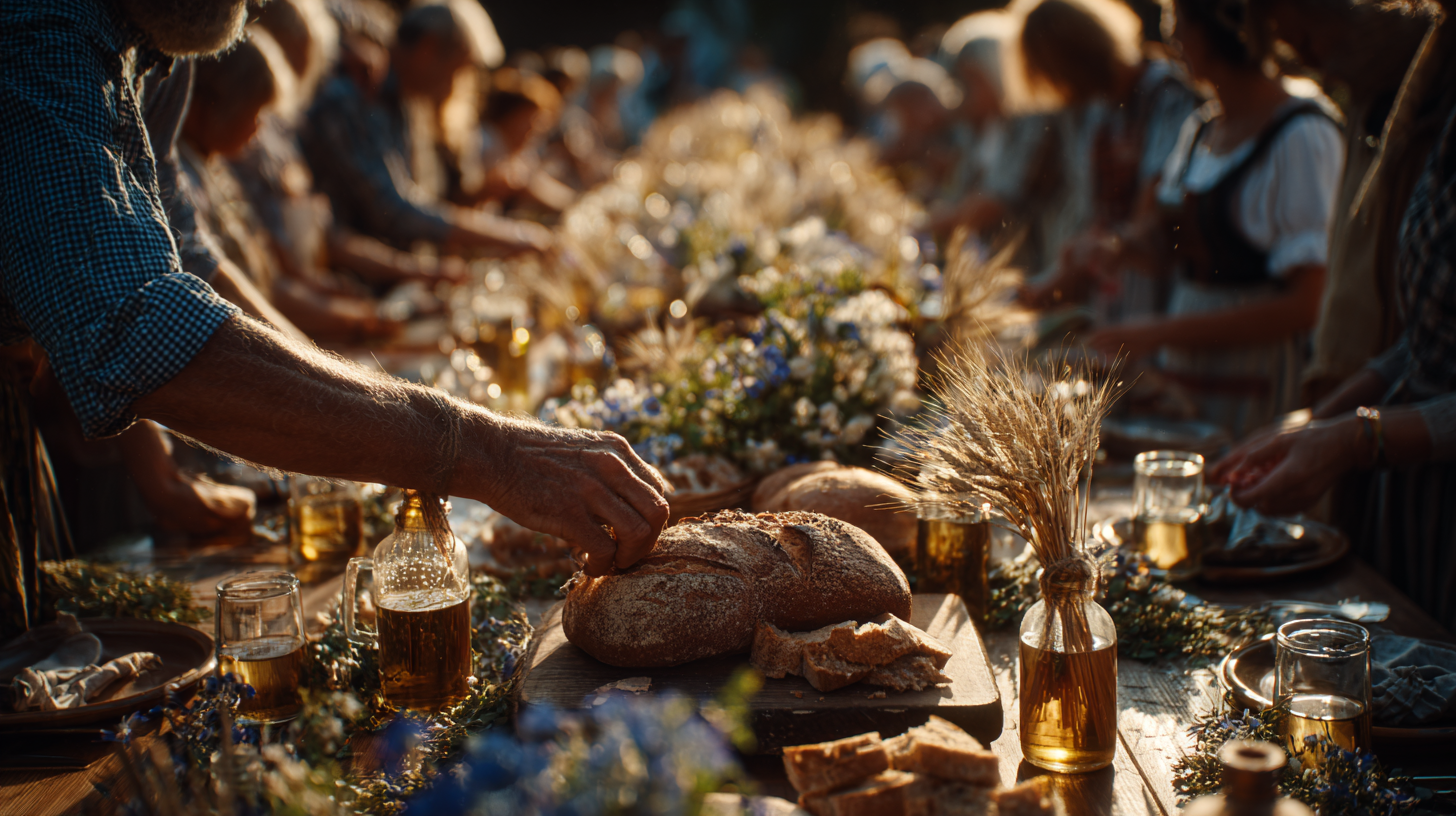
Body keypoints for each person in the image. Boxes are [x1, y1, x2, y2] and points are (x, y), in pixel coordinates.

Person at [0, 0, 670, 638]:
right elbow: (134, 323)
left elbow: (183, 244)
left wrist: (332, 380)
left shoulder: (150, 44)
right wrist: (484, 451)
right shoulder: (36, 30)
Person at [1213, 6, 1456, 630]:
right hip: (1413, 502)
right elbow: (1427, 341)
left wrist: (1357, 436)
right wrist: (1314, 421)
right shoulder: (1430, 99)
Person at [1083, 0, 1344, 436]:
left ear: (1216, 29)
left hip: (1256, 377)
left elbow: (1305, 304)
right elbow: (1175, 247)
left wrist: (1160, 332)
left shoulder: (1301, 133)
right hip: (1187, 374)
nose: (1171, 39)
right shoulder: (1203, 126)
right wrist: (1118, 249)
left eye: (1178, 22)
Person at [1247, 0, 1435, 402]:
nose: (1309, 63)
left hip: (1401, 408)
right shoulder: (1364, 101)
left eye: (1306, 40)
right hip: (1358, 390)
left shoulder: (1426, 108)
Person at [300, 3, 552, 256]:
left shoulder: (405, 101)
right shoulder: (358, 92)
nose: (455, 86)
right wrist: (511, 236)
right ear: (427, 49)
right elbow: (393, 211)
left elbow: (422, 199)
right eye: (456, 71)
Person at [1016, 0, 1201, 323]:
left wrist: (1087, 258)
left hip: (1160, 299)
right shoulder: (1101, 109)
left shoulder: (1167, 95)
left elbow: (1152, 212)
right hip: (1118, 293)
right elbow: (1099, 213)